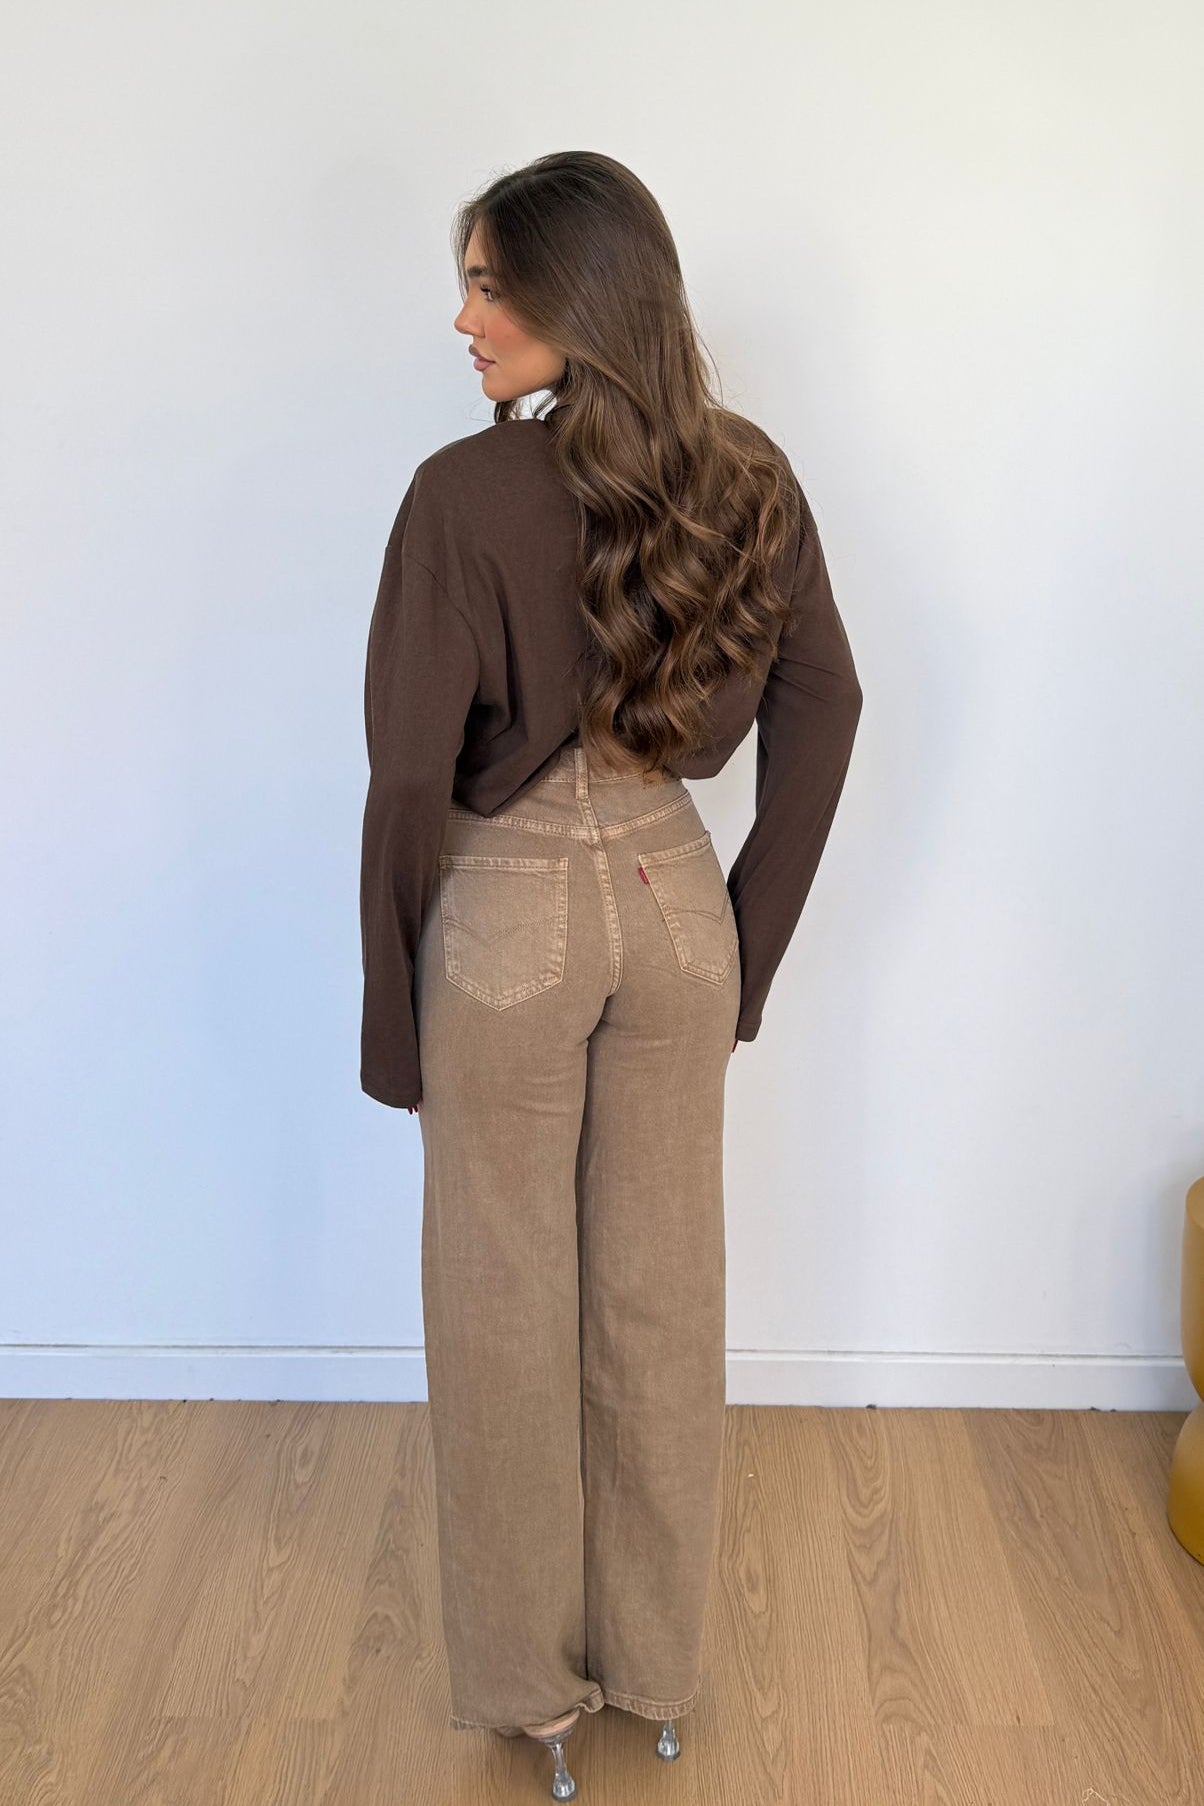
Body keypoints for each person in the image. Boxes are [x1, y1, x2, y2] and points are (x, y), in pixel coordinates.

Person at [358, 151, 863, 1800]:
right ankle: (656, 1671)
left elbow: (409, 776)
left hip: (507, 920)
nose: (464, 317)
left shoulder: (458, 495)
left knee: (501, 1307)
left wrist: (389, 1010)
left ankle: (535, 1696)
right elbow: (829, 703)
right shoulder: (750, 472)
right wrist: (746, 943)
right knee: (661, 1296)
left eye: (488, 284)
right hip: (674, 905)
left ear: (575, 295)